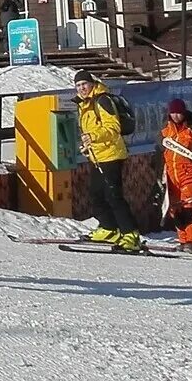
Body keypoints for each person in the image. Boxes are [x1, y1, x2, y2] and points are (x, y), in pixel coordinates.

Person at [76, 72, 142, 254]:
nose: (81, 88)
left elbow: (113, 128)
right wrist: (88, 144)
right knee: (96, 194)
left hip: (111, 155)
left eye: (84, 84)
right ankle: (109, 228)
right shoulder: (85, 103)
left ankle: (131, 234)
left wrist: (94, 137)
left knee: (114, 196)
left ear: (92, 84)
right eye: (78, 85)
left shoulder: (102, 101)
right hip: (98, 155)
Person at [159, 99, 192, 254]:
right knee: (175, 209)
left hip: (188, 173)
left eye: (178, 112)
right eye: (173, 113)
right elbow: (158, 151)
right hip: (171, 175)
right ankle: (183, 239)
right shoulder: (165, 130)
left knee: (189, 207)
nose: (176, 116)